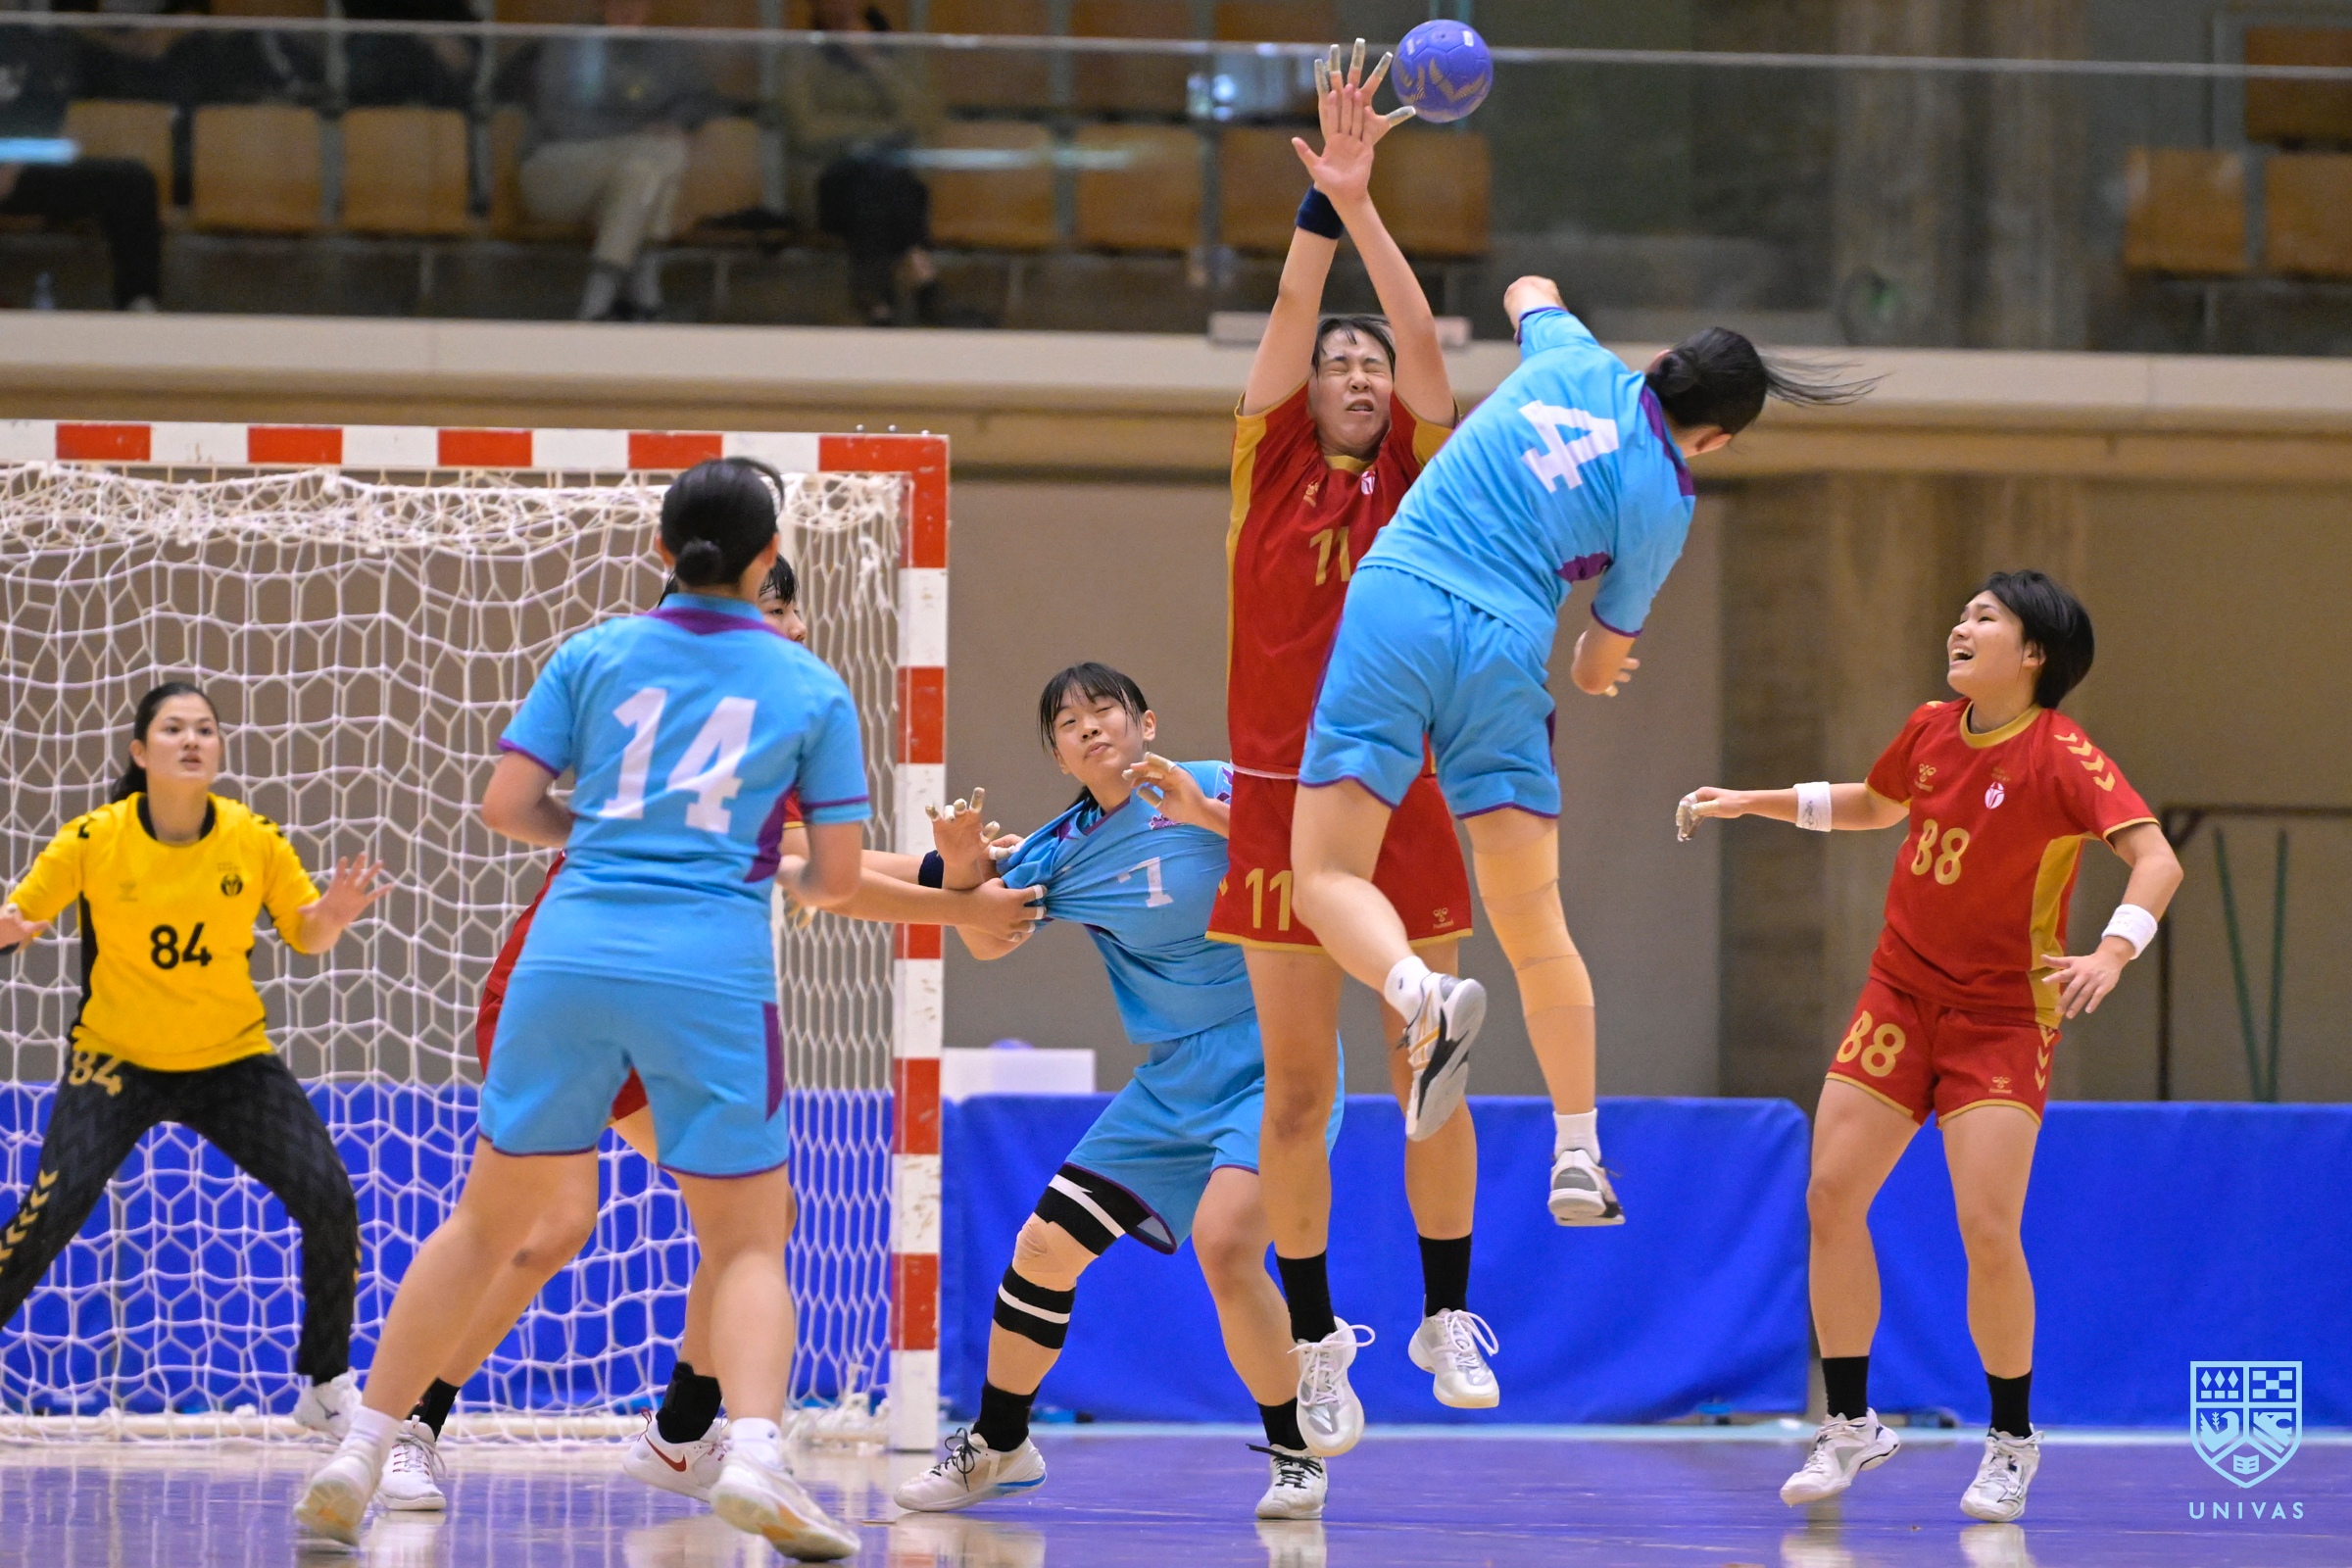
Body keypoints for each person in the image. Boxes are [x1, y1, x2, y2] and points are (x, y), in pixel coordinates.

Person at [375, 559, 1043, 1512]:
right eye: (772, 605)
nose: (792, 624)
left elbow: (816, 854)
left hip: (661, 1004)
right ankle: (408, 1427)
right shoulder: (688, 708)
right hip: (565, 984)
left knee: (759, 1221)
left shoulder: (765, 712)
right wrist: (957, 905)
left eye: (793, 607)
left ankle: (681, 1434)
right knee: (553, 1223)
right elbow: (820, 877)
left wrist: (954, 875)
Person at [294, 459, 867, 1559]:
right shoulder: (808, 685)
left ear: (661, 550)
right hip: (708, 970)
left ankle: (359, 1449)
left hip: (568, 954)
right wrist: (748, 865)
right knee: (749, 1239)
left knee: (485, 1223)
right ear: (766, 560)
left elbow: (509, 805)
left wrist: (608, 840)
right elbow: (835, 879)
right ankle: (751, 1455)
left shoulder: (594, 652)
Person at [1288, 266, 1871, 1255]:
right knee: (1533, 921)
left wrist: (1541, 310)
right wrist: (1603, 666)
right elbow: (1598, 660)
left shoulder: (1573, 355)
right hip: (1505, 646)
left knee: (1327, 875)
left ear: (1662, 362)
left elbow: (1529, 285)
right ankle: (1577, 1149)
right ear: (1713, 440)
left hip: (1400, 600)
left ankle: (1419, 995)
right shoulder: (1666, 500)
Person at [1678, 570, 2182, 1524]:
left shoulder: (2063, 754)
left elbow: (2156, 857)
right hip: (1900, 998)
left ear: (2033, 653)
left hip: (2002, 1017)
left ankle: (2011, 1440)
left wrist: (2114, 950)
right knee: (1830, 1195)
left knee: (1987, 1228)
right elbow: (1874, 804)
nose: (1961, 625)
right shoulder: (1927, 729)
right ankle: (1850, 1424)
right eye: (1963, 613)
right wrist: (1750, 800)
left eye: (1985, 618)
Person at [890, 663, 1342, 1521]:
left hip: (1275, 1057)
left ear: (1147, 723)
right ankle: (1001, 1443)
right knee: (1042, 1250)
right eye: (1069, 723)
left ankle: (1296, 1454)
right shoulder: (1063, 848)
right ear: (1059, 756)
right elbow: (987, 936)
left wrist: (1205, 815)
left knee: (1225, 1244)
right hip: (1172, 1082)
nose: (1090, 727)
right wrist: (959, 863)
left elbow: (1314, 846)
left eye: (1105, 710)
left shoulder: (1211, 783)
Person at [1223, 41, 1494, 1457]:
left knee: (1428, 1061)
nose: (1355, 369)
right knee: (1299, 1089)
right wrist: (1319, 204)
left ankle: (1448, 1313)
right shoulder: (1265, 463)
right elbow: (1292, 305)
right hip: (1281, 804)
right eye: (1337, 361)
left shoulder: (1422, 480)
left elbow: (1430, 347)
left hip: (1402, 798)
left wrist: (1369, 208)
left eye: (1369, 363)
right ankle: (1321, 1341)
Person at [0, 682, 389, 1434]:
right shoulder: (93, 837)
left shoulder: (253, 837)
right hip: (115, 1061)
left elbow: (306, 935)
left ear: (219, 749)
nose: (191, 740)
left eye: (205, 729)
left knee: (329, 1196)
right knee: (51, 1209)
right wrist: (9, 932)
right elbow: (21, 917)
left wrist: (333, 914)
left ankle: (324, 1384)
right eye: (173, 729)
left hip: (230, 1062)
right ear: (140, 753)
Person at [516, 0, 710, 321]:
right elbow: (560, 120)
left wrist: (674, 122)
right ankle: (643, 287)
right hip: (558, 169)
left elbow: (699, 99)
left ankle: (600, 297)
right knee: (656, 156)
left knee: (651, 164)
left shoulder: (666, 49)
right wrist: (639, 132)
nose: (627, 9)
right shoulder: (572, 45)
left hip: (631, 172)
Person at [781, 0, 940, 325]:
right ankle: (919, 266)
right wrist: (879, 133)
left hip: (891, 182)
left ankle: (876, 303)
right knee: (870, 179)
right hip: (827, 182)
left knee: (876, 183)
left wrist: (874, 62)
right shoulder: (800, 58)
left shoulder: (900, 56)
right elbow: (807, 130)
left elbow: (921, 117)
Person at [0, 23, 163, 310]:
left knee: (132, 182)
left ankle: (138, 303)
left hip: (22, 164)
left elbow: (44, 104)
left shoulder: (29, 38)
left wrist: (15, 160)